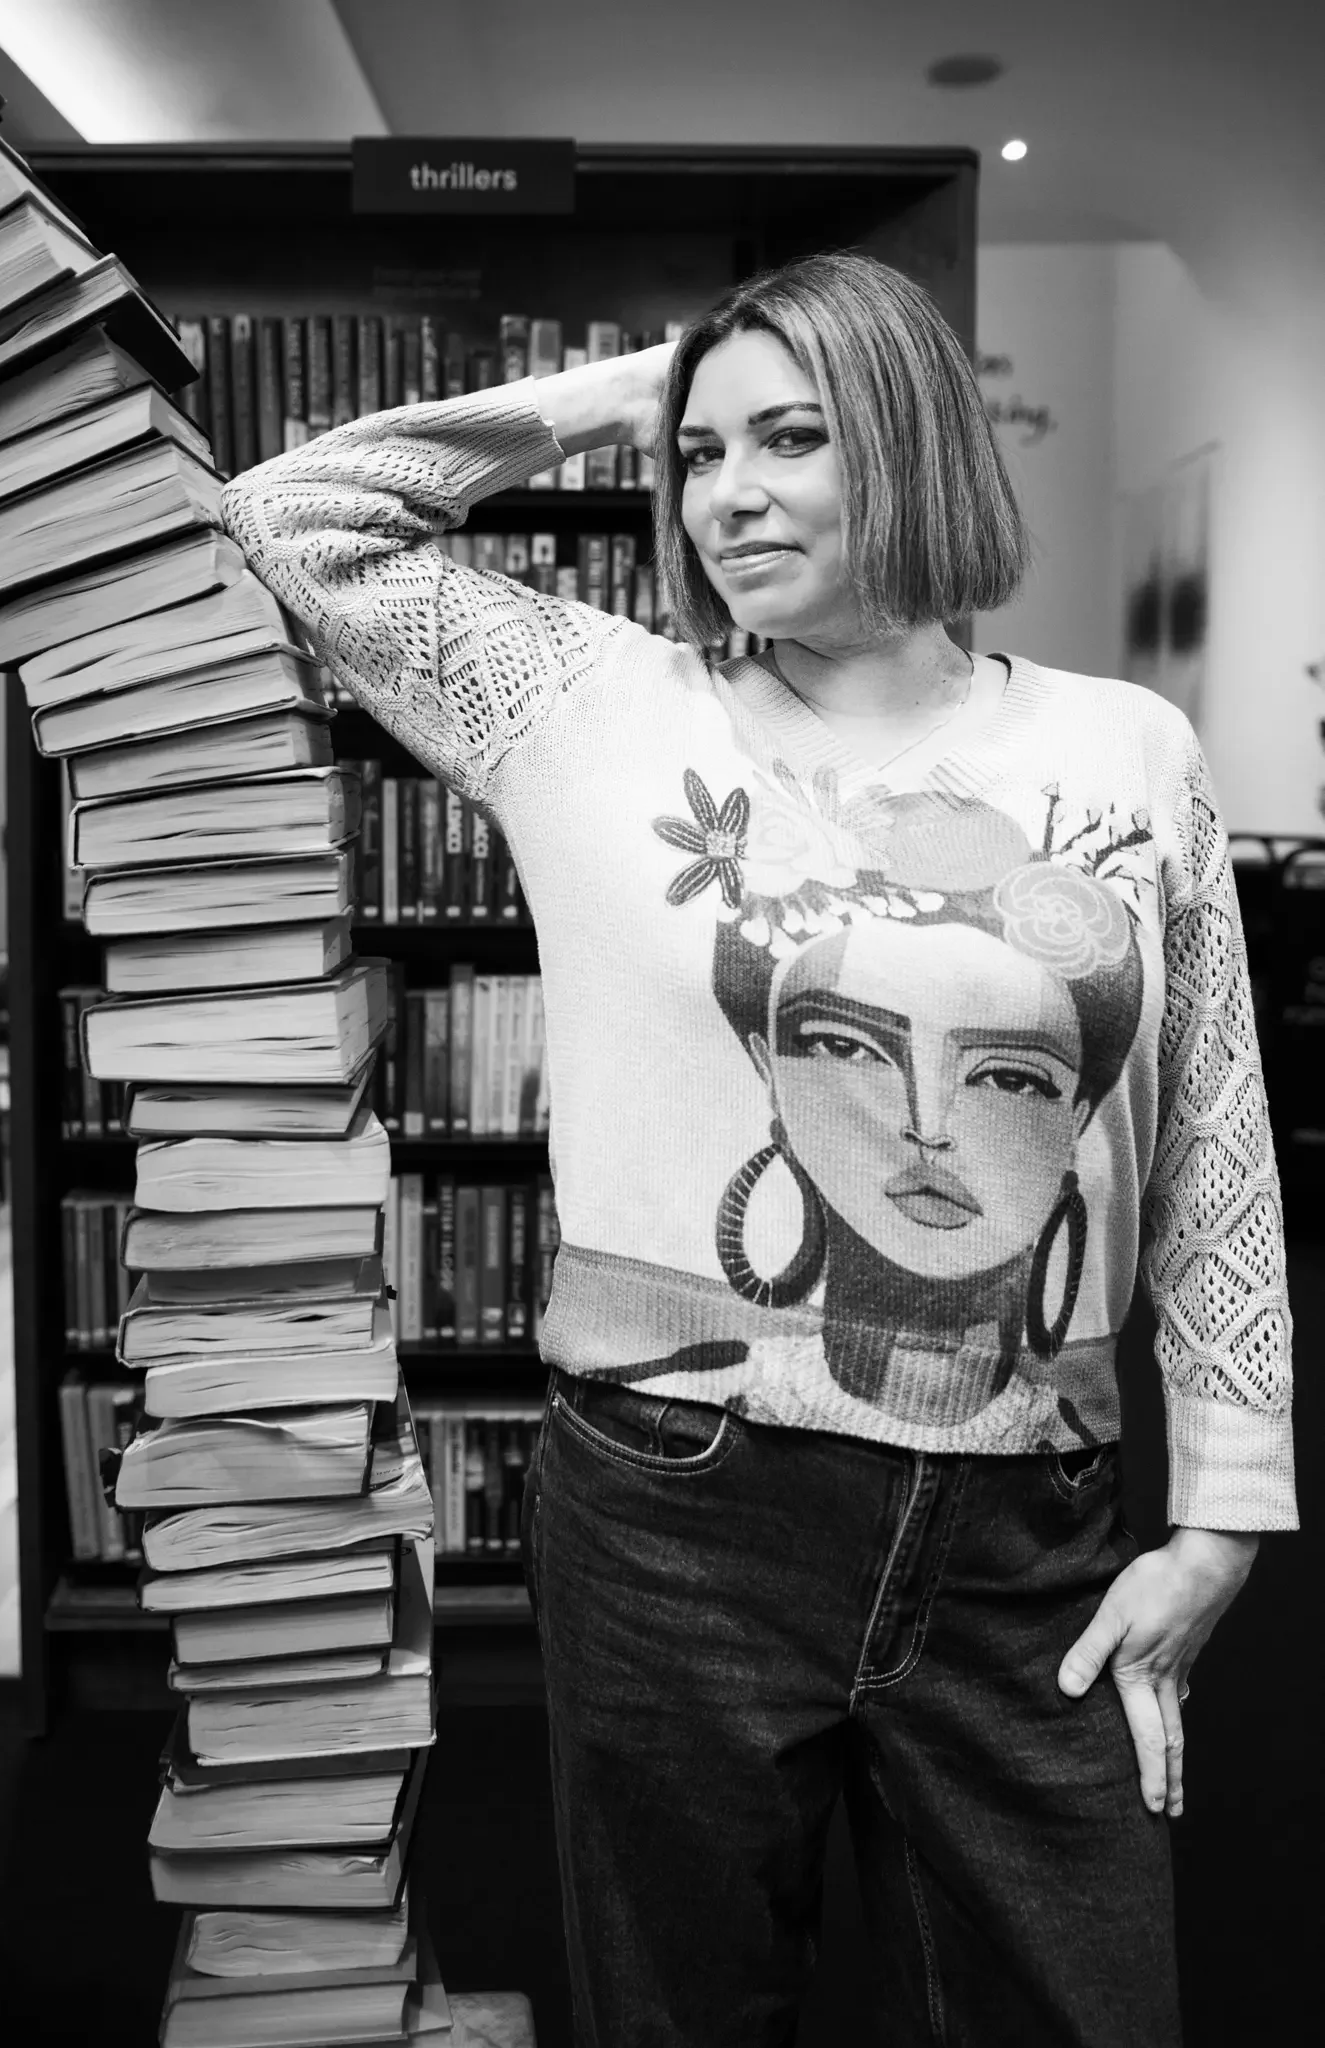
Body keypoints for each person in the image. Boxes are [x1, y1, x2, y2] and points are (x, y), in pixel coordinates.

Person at [220, 250, 1297, 2048]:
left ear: (914, 436)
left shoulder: (1126, 751)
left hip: (1025, 1524)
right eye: (702, 454)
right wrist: (635, 383)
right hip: (677, 1514)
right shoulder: (584, 704)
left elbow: (1212, 1142)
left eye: (793, 438)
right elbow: (289, 518)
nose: (729, 493)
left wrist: (1223, 1523)